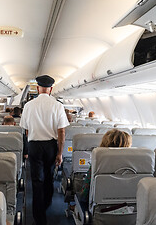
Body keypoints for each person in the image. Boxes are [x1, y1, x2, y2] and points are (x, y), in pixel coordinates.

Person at [20, 75, 70, 225]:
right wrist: (60, 153)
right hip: (50, 145)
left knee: (36, 180)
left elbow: (26, 130)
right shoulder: (58, 105)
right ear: (51, 89)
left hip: (35, 145)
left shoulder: (29, 105)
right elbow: (61, 132)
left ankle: (38, 216)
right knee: (48, 178)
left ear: (37, 88)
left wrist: (28, 148)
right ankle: (46, 203)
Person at [80, 129, 132, 207]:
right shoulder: (136, 163)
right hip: (131, 209)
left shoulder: (98, 160)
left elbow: (86, 192)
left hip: (100, 210)